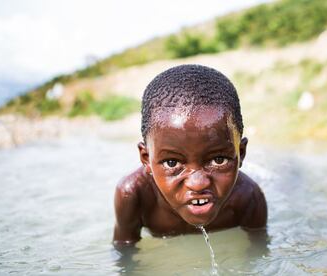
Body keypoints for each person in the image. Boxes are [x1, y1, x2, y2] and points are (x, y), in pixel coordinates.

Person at [113, 64, 267, 245]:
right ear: (146, 159)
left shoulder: (248, 198)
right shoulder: (133, 195)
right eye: (171, 163)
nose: (198, 183)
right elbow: (124, 258)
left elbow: (258, 254)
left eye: (218, 160)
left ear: (240, 153)